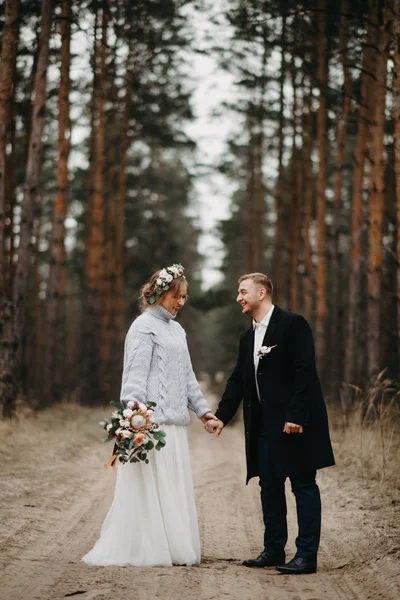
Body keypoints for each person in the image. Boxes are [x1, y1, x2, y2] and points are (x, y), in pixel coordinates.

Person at [82, 264, 216, 567]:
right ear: (159, 293)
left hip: (176, 427)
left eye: (185, 297)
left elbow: (187, 377)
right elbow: (134, 379)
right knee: (151, 489)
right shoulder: (142, 327)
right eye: (177, 296)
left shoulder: (177, 329)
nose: (181, 302)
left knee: (171, 488)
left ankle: (172, 545)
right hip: (152, 427)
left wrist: (204, 411)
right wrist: (134, 424)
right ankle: (148, 548)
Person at [205, 272, 335, 575]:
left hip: (295, 423)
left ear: (262, 292)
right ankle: (274, 549)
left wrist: (295, 415)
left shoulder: (292, 325)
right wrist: (221, 416)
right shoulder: (247, 336)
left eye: (243, 291)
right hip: (263, 426)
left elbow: (305, 371)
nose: (238, 298)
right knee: (270, 486)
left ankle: (306, 556)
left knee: (303, 485)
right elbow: (238, 379)